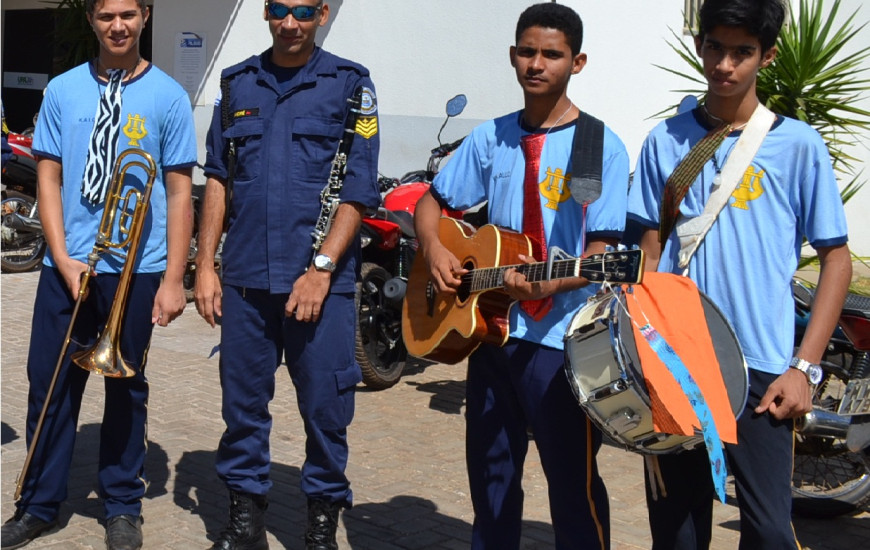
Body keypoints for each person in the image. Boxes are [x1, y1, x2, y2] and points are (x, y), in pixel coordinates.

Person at [626, 0, 852, 548]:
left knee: (770, 532)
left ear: (767, 56)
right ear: (700, 47)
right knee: (677, 532)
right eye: (715, 48)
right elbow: (648, 256)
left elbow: (837, 260)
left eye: (742, 52)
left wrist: (804, 368)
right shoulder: (666, 141)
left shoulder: (797, 145)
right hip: (677, 361)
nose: (725, 64)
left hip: (762, 370)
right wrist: (634, 349)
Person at [414, 4, 629, 549]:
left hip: (563, 346)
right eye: (528, 52)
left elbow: (600, 251)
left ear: (576, 62)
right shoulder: (493, 137)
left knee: (572, 490)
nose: (537, 64)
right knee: (491, 484)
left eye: (551, 54)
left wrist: (549, 285)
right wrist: (435, 248)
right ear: (513, 56)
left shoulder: (594, 145)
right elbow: (432, 203)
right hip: (492, 336)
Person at [0, 1, 197, 549]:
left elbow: (181, 193)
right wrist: (61, 257)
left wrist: (175, 277)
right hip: (67, 266)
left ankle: (122, 505)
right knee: (51, 384)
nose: (118, 25)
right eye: (107, 14)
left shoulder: (169, 96)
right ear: (92, 19)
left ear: (146, 17)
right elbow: (49, 177)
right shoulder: (62, 90)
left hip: (138, 267)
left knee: (127, 387)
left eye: (128, 14)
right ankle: (38, 503)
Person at [193, 1, 380, 549]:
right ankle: (246, 518)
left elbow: (358, 188)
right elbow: (218, 181)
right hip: (248, 282)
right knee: (243, 409)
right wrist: (205, 266)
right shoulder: (236, 86)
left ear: (321, 13)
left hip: (321, 286)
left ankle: (321, 521)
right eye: (279, 9)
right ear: (267, 13)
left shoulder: (350, 86)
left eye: (302, 10)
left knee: (326, 408)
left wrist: (321, 269)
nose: (290, 22)